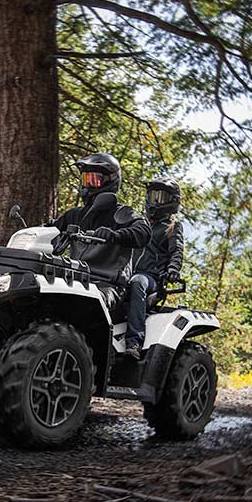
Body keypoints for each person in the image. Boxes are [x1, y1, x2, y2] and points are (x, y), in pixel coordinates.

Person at [51, 153, 150, 284]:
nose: (87, 186)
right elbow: (52, 228)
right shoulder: (75, 215)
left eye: (94, 180)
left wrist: (115, 235)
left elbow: (143, 232)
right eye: (86, 179)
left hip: (107, 284)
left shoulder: (122, 213)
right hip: (75, 280)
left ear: (111, 180)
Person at [125, 177, 184, 360]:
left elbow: (177, 251)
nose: (155, 201)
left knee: (137, 282)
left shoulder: (172, 227)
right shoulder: (139, 224)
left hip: (151, 280)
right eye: (153, 196)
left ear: (172, 202)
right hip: (125, 273)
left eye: (161, 197)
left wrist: (173, 269)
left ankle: (134, 342)